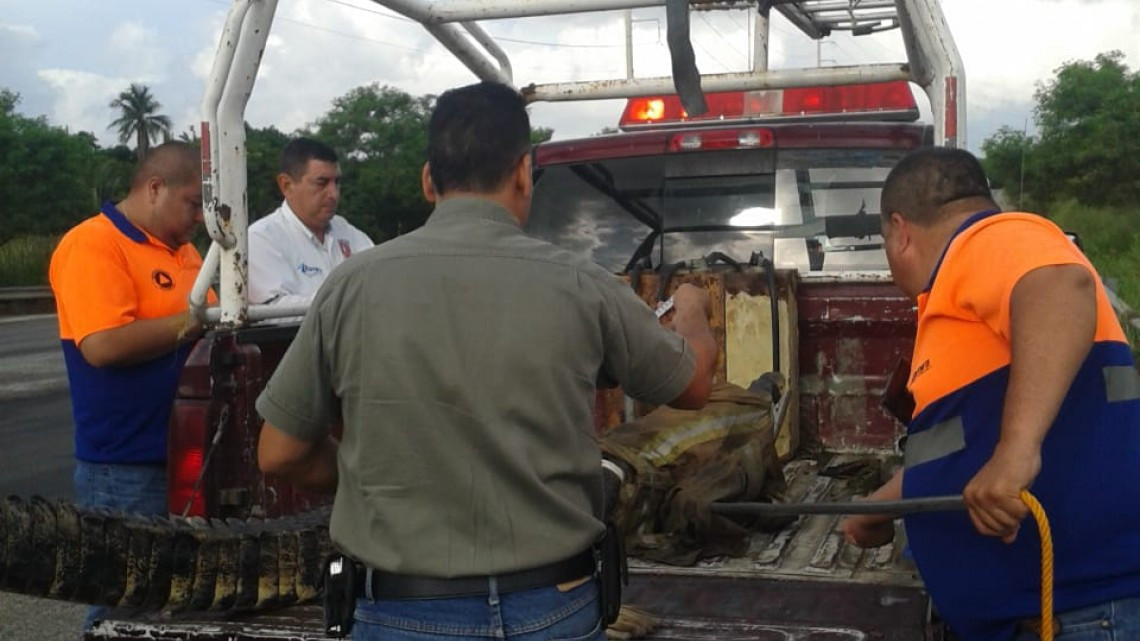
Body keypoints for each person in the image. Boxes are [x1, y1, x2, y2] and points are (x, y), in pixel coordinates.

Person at [254, 81, 718, 641]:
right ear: (523, 172)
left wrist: (374, 476)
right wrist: (692, 309)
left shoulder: (350, 285)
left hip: (396, 610)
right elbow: (690, 387)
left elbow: (279, 454)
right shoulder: (580, 283)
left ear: (428, 180)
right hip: (552, 607)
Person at [841, 147, 1140, 641]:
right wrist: (873, 508)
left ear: (900, 230)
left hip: (1079, 615)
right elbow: (961, 448)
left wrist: (1016, 452)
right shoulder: (966, 304)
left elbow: (1058, 285)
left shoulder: (987, 238)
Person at [48, 141, 207, 629]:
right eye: (194, 202)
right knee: (124, 607)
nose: (202, 216)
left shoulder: (186, 252)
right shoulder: (93, 244)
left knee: (176, 602)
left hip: (185, 459)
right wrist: (196, 321)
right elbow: (104, 345)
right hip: (125, 465)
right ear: (155, 188)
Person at [247, 137, 373, 308]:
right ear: (286, 185)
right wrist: (350, 302)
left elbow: (381, 285)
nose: (334, 194)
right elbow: (274, 314)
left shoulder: (349, 234)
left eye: (337, 182)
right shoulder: (261, 239)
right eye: (322, 183)